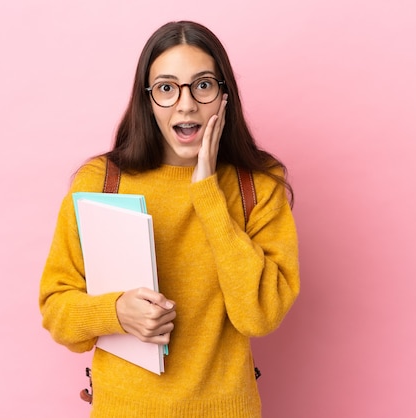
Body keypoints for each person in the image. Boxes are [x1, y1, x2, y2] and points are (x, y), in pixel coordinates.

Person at [39, 20, 300, 418]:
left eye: (203, 85)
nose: (186, 104)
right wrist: (116, 312)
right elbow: (57, 310)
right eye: (166, 88)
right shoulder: (101, 182)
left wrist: (208, 193)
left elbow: (260, 315)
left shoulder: (257, 185)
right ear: (147, 100)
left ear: (224, 94)